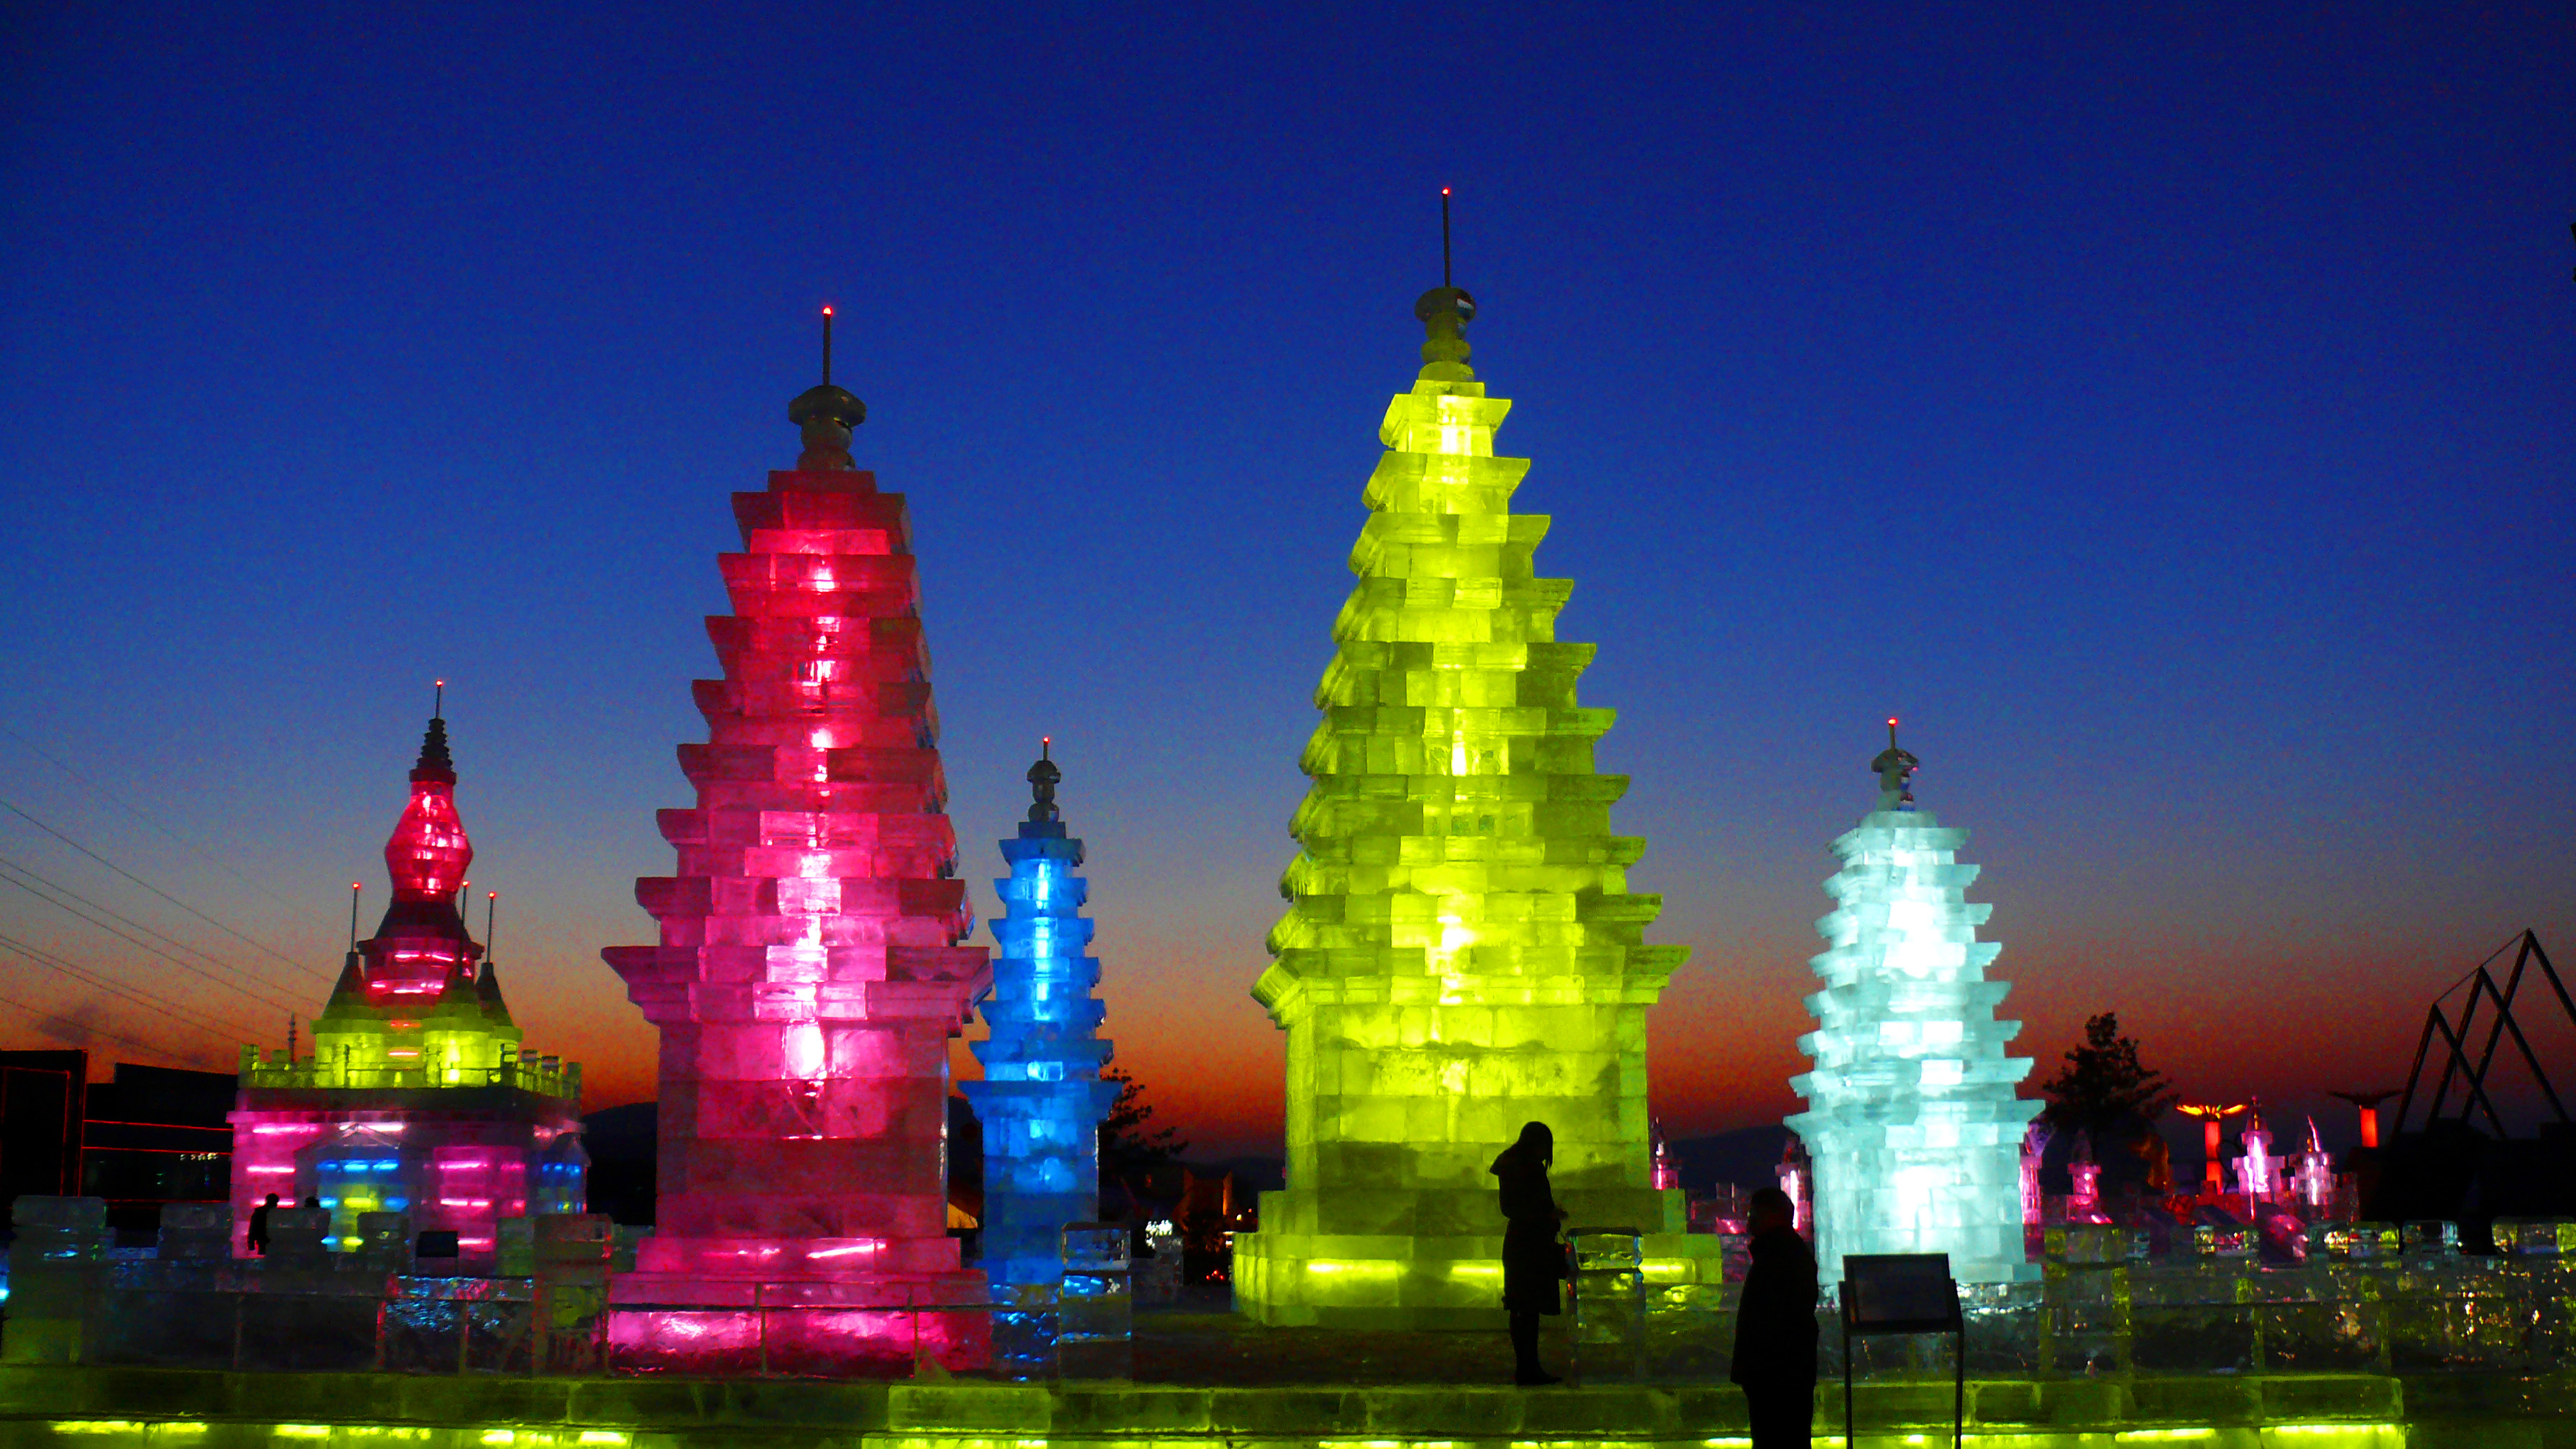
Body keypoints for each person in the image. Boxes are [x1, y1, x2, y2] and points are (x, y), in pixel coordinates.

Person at [1730, 1187, 1820, 1447]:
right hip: (1783, 1375)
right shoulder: (1789, 1254)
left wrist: (1753, 1370)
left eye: (1753, 1213)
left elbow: (1768, 1321)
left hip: (1774, 1378)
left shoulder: (1776, 1258)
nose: (1748, 1220)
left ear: (1770, 1216)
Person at [1491, 1121, 1570, 1386]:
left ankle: (1529, 1367)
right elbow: (1514, 1207)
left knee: (1526, 1310)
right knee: (1525, 1310)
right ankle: (1527, 1369)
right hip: (1528, 1248)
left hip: (1528, 1246)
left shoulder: (1517, 1165)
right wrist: (1546, 1215)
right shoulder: (1521, 1167)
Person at [247, 1192, 279, 1256]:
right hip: (273, 1242)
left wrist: (251, 1244)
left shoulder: (259, 1211)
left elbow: (253, 1228)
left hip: (263, 1241)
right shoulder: (277, 1213)